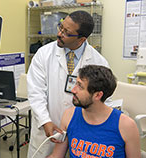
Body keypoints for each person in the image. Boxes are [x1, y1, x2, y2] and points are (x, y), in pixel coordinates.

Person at [27, 10, 109, 157]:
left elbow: (102, 102)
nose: (59, 33)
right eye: (61, 27)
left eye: (66, 32)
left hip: (82, 133)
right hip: (47, 126)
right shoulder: (43, 54)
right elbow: (35, 92)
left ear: (81, 39)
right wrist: (45, 121)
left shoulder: (99, 63)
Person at [47, 65, 141, 158]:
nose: (73, 90)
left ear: (97, 95)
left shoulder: (126, 126)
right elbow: (56, 155)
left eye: (80, 86)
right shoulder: (69, 116)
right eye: (76, 83)